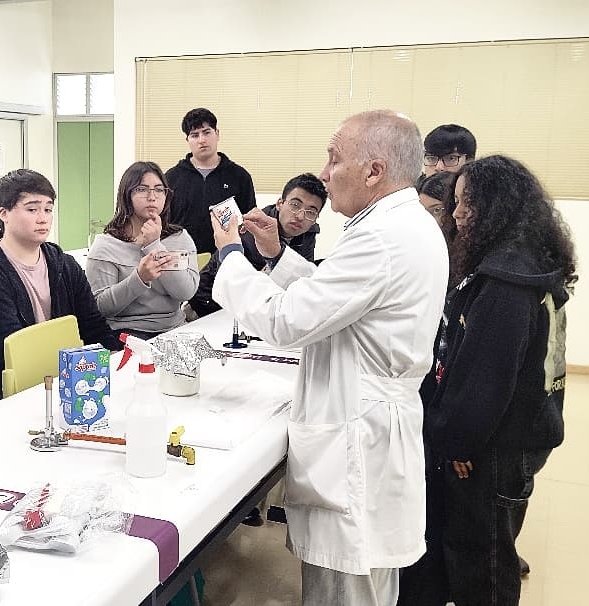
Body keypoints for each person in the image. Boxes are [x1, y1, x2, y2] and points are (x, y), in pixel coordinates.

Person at [210, 110, 449, 606]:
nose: (323, 171)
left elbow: (287, 321)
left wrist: (232, 253)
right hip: (371, 424)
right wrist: (277, 254)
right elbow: (335, 300)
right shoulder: (401, 224)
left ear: (374, 170)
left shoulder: (382, 236)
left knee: (347, 590)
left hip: (358, 437)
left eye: (334, 157)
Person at [409, 155, 575, 606]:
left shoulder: (505, 283)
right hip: (519, 435)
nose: (456, 213)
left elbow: (485, 379)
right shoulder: (529, 262)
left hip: (495, 446)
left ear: (497, 209)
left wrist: (456, 443)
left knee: (483, 561)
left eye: (466, 204)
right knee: (485, 548)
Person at [0, 169, 121, 409]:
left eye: (48, 209)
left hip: (67, 386)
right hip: (8, 399)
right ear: (3, 213)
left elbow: (94, 327)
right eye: (32, 209)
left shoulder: (64, 266)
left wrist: (118, 365)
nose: (43, 218)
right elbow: (12, 355)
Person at [85, 161, 199, 340]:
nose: (152, 197)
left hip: (174, 329)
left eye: (159, 189)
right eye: (142, 189)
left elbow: (185, 292)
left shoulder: (178, 238)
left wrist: (154, 245)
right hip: (125, 334)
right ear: (126, 194)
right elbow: (100, 307)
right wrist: (140, 278)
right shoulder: (107, 245)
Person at [189, 173, 325, 318]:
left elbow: (303, 280)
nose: (300, 216)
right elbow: (245, 284)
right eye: (295, 205)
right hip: (208, 303)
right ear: (280, 204)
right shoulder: (254, 227)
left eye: (311, 212)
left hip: (256, 307)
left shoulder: (309, 232)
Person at [165, 108, 257, 254]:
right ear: (187, 140)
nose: (202, 140)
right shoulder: (171, 178)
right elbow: (164, 224)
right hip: (181, 259)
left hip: (226, 258)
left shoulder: (240, 176)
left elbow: (249, 223)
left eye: (207, 132)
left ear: (217, 134)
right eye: (194, 135)